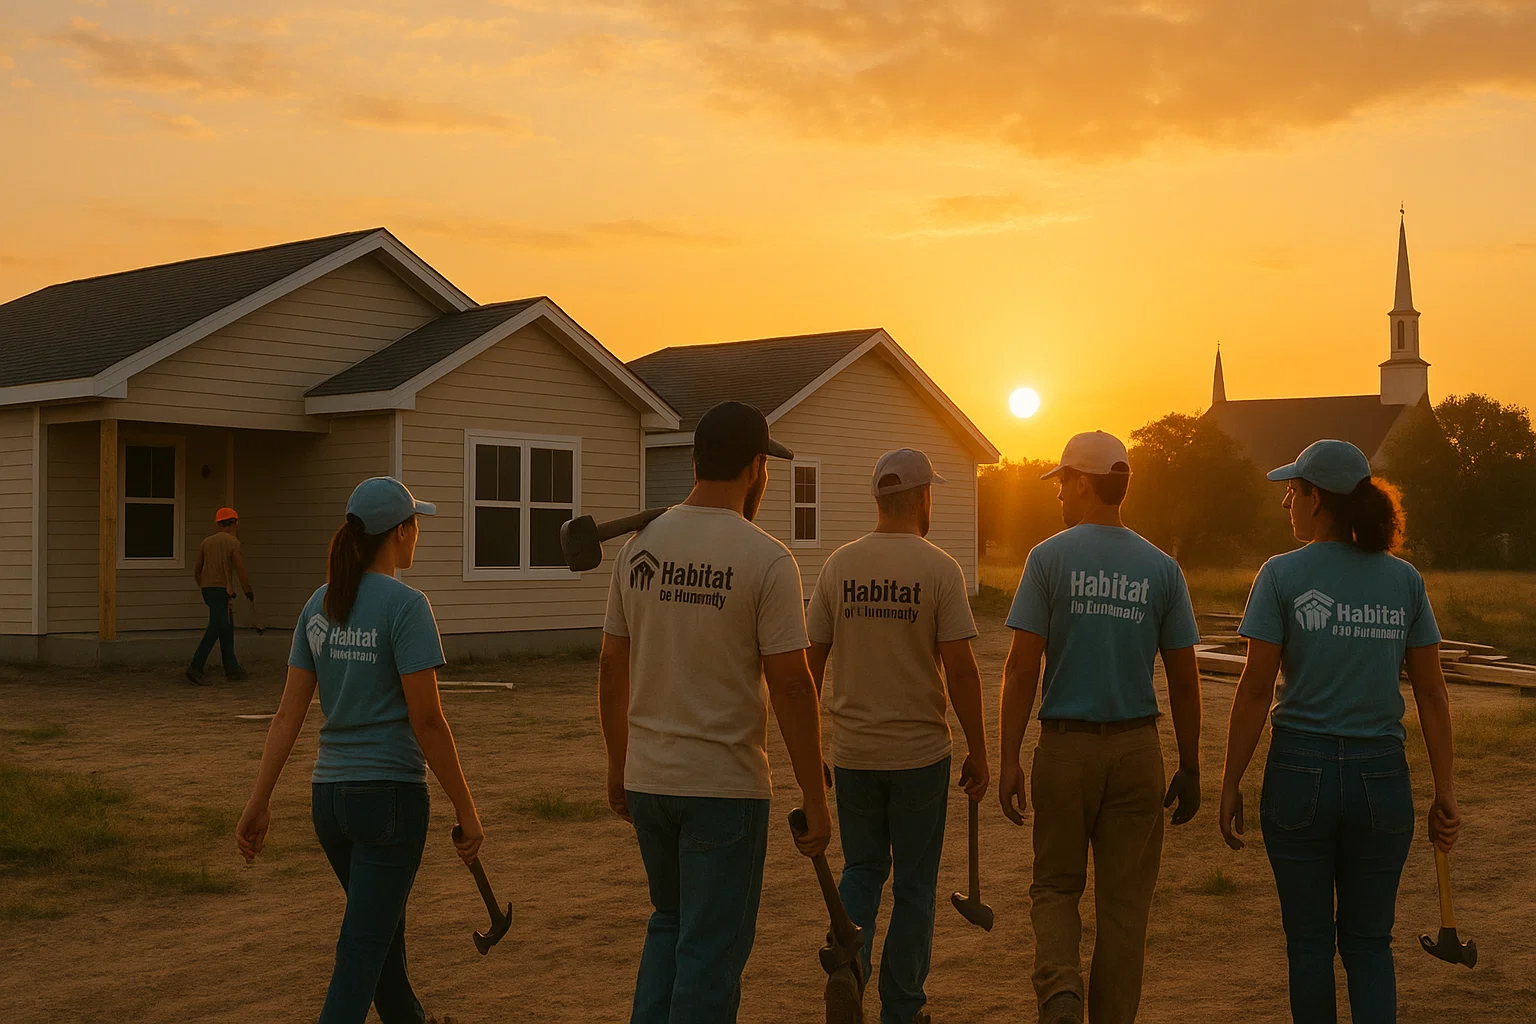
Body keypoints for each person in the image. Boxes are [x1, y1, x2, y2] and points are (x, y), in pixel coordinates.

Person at [600, 401, 834, 1024]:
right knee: (709, 952)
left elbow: (609, 666)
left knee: (668, 926)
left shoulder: (639, 548)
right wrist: (815, 793)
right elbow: (791, 685)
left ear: (696, 460)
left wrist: (619, 762)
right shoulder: (766, 558)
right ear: (757, 467)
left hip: (650, 779)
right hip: (723, 789)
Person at [1218, 440, 1461, 1024]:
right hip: (1382, 777)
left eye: (1292, 492)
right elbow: (1431, 692)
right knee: (1370, 944)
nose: (1286, 504)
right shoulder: (1403, 581)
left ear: (1317, 498)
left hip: (1300, 773)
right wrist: (1444, 791)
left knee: (1308, 948)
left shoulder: (1280, 574)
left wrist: (1230, 782)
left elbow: (1255, 688)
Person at [236, 477, 484, 1024]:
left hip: (330, 802)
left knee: (380, 942)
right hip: (388, 803)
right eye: (415, 524)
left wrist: (259, 800)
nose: (417, 534)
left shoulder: (318, 607)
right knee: (363, 950)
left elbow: (288, 714)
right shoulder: (407, 606)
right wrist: (466, 809)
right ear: (398, 532)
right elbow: (428, 720)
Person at [997, 430, 1203, 1024]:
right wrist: (1189, 765)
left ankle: (1060, 997)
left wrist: (1011, 758)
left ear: (1083, 484)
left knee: (1057, 887)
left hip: (1064, 749)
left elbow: (1020, 666)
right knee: (1124, 908)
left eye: (1063, 483)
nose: (1059, 495)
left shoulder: (1048, 558)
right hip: (1138, 750)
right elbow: (1185, 681)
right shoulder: (1161, 568)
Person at [806, 448, 989, 1024]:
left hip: (855, 754)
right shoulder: (939, 569)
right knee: (914, 886)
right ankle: (903, 1008)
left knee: (861, 869)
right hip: (918, 759)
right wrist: (981, 749)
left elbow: (809, 666)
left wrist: (812, 752)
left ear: (879, 500)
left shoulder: (839, 566)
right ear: (923, 497)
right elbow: (959, 668)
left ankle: (847, 970)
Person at [188, 506, 254, 684]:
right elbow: (240, 570)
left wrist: (203, 585)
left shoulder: (206, 542)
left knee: (226, 627)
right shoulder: (233, 543)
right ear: (234, 523)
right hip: (221, 591)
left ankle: (232, 668)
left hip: (208, 590)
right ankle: (196, 666)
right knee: (216, 627)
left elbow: (197, 570)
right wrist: (247, 590)